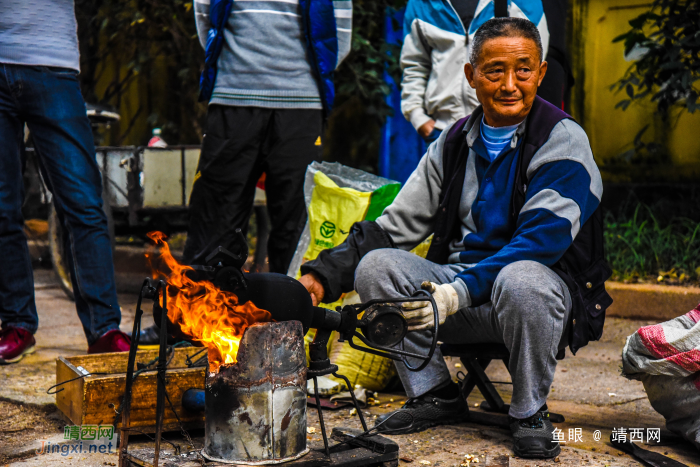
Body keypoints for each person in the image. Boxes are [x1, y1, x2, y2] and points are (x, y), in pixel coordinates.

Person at [300, 18, 611, 459]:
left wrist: (455, 293)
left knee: (523, 276)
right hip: (454, 296)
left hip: (534, 300)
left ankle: (528, 412)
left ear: (541, 74)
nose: (509, 84)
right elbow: (394, 226)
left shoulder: (563, 140)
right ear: (470, 76)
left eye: (523, 70)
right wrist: (320, 277)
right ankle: (435, 394)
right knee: (378, 266)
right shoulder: (452, 142)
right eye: (493, 71)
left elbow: (538, 244)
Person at [138, 0, 353, 345]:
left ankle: (286, 340)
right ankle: (185, 330)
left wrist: (302, 78)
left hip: (301, 101)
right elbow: (206, 15)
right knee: (213, 222)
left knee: (294, 232)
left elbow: (338, 26)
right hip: (232, 96)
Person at [0, 0, 130, 364]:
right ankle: (16, 324)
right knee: (1, 208)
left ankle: (104, 329)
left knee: (84, 204)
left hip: (51, 61)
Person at [401, 0, 551, 144]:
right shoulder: (421, 3)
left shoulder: (523, 2)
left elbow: (531, 65)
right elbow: (415, 64)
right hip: (442, 131)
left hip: (505, 130)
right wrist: (418, 118)